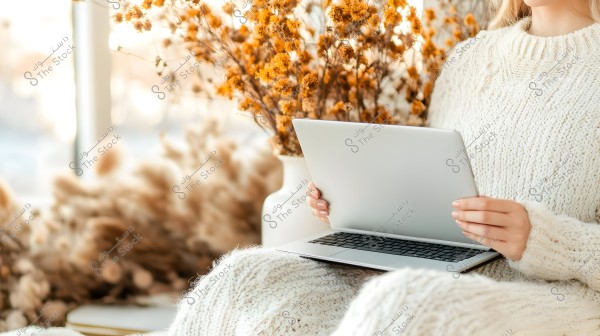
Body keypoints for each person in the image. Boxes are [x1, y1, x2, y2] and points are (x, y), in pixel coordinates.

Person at [169, 0, 600, 334]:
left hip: (553, 294)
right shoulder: (469, 61)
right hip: (433, 268)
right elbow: (434, 191)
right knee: (246, 276)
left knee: (404, 303)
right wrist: (356, 203)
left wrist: (541, 239)